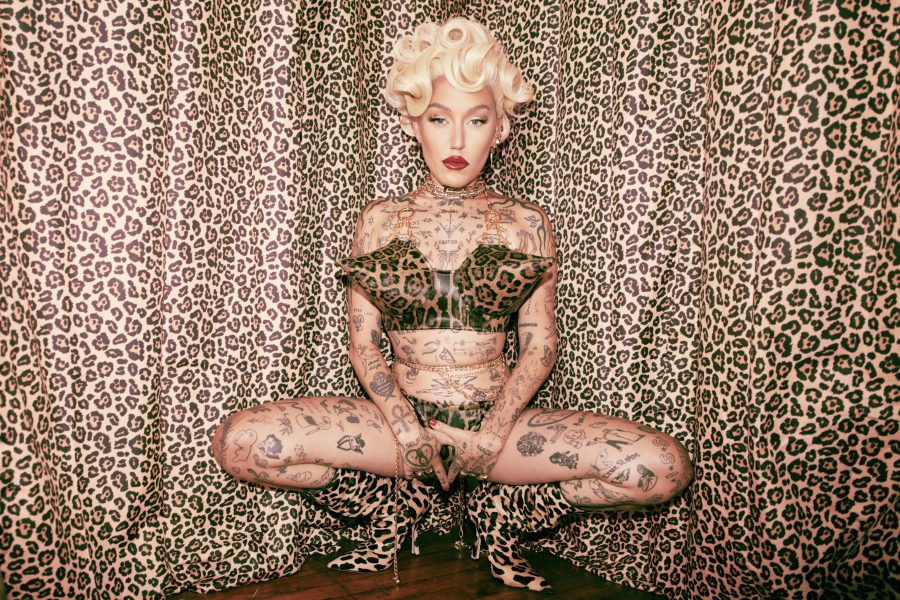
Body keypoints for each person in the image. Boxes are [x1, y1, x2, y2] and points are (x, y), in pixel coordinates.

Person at [211, 17, 693, 592]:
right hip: (397, 424)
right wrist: (406, 429)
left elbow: (540, 343)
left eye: (477, 120)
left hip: (497, 424)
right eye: (439, 119)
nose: (457, 141)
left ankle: (501, 515)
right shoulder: (380, 220)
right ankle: (391, 509)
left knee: (662, 467)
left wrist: (493, 433)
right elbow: (364, 343)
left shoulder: (526, 222)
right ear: (414, 124)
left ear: (500, 127)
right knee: (241, 444)